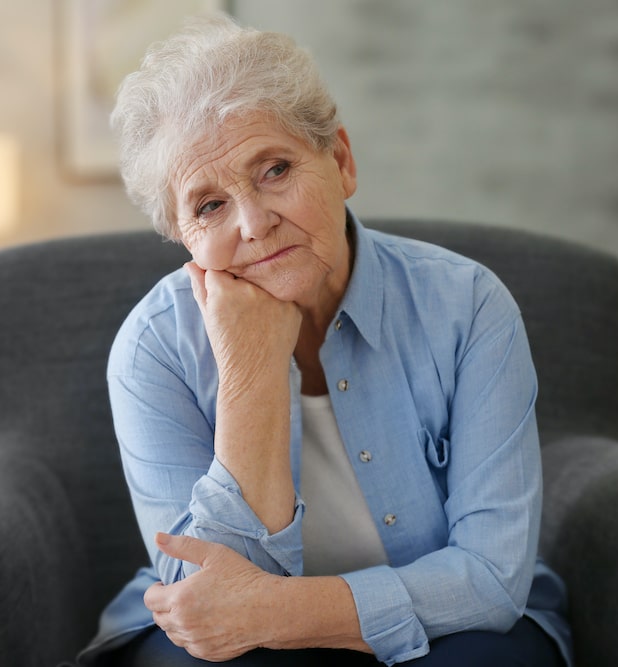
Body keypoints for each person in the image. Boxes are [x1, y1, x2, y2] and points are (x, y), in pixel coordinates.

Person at [77, 13, 572, 667]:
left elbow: (488, 578)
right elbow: (204, 600)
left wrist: (277, 611)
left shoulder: (467, 305)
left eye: (275, 169)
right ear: (183, 236)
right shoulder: (152, 348)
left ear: (340, 160)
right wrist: (251, 368)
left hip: (453, 625)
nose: (254, 223)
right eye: (208, 205)